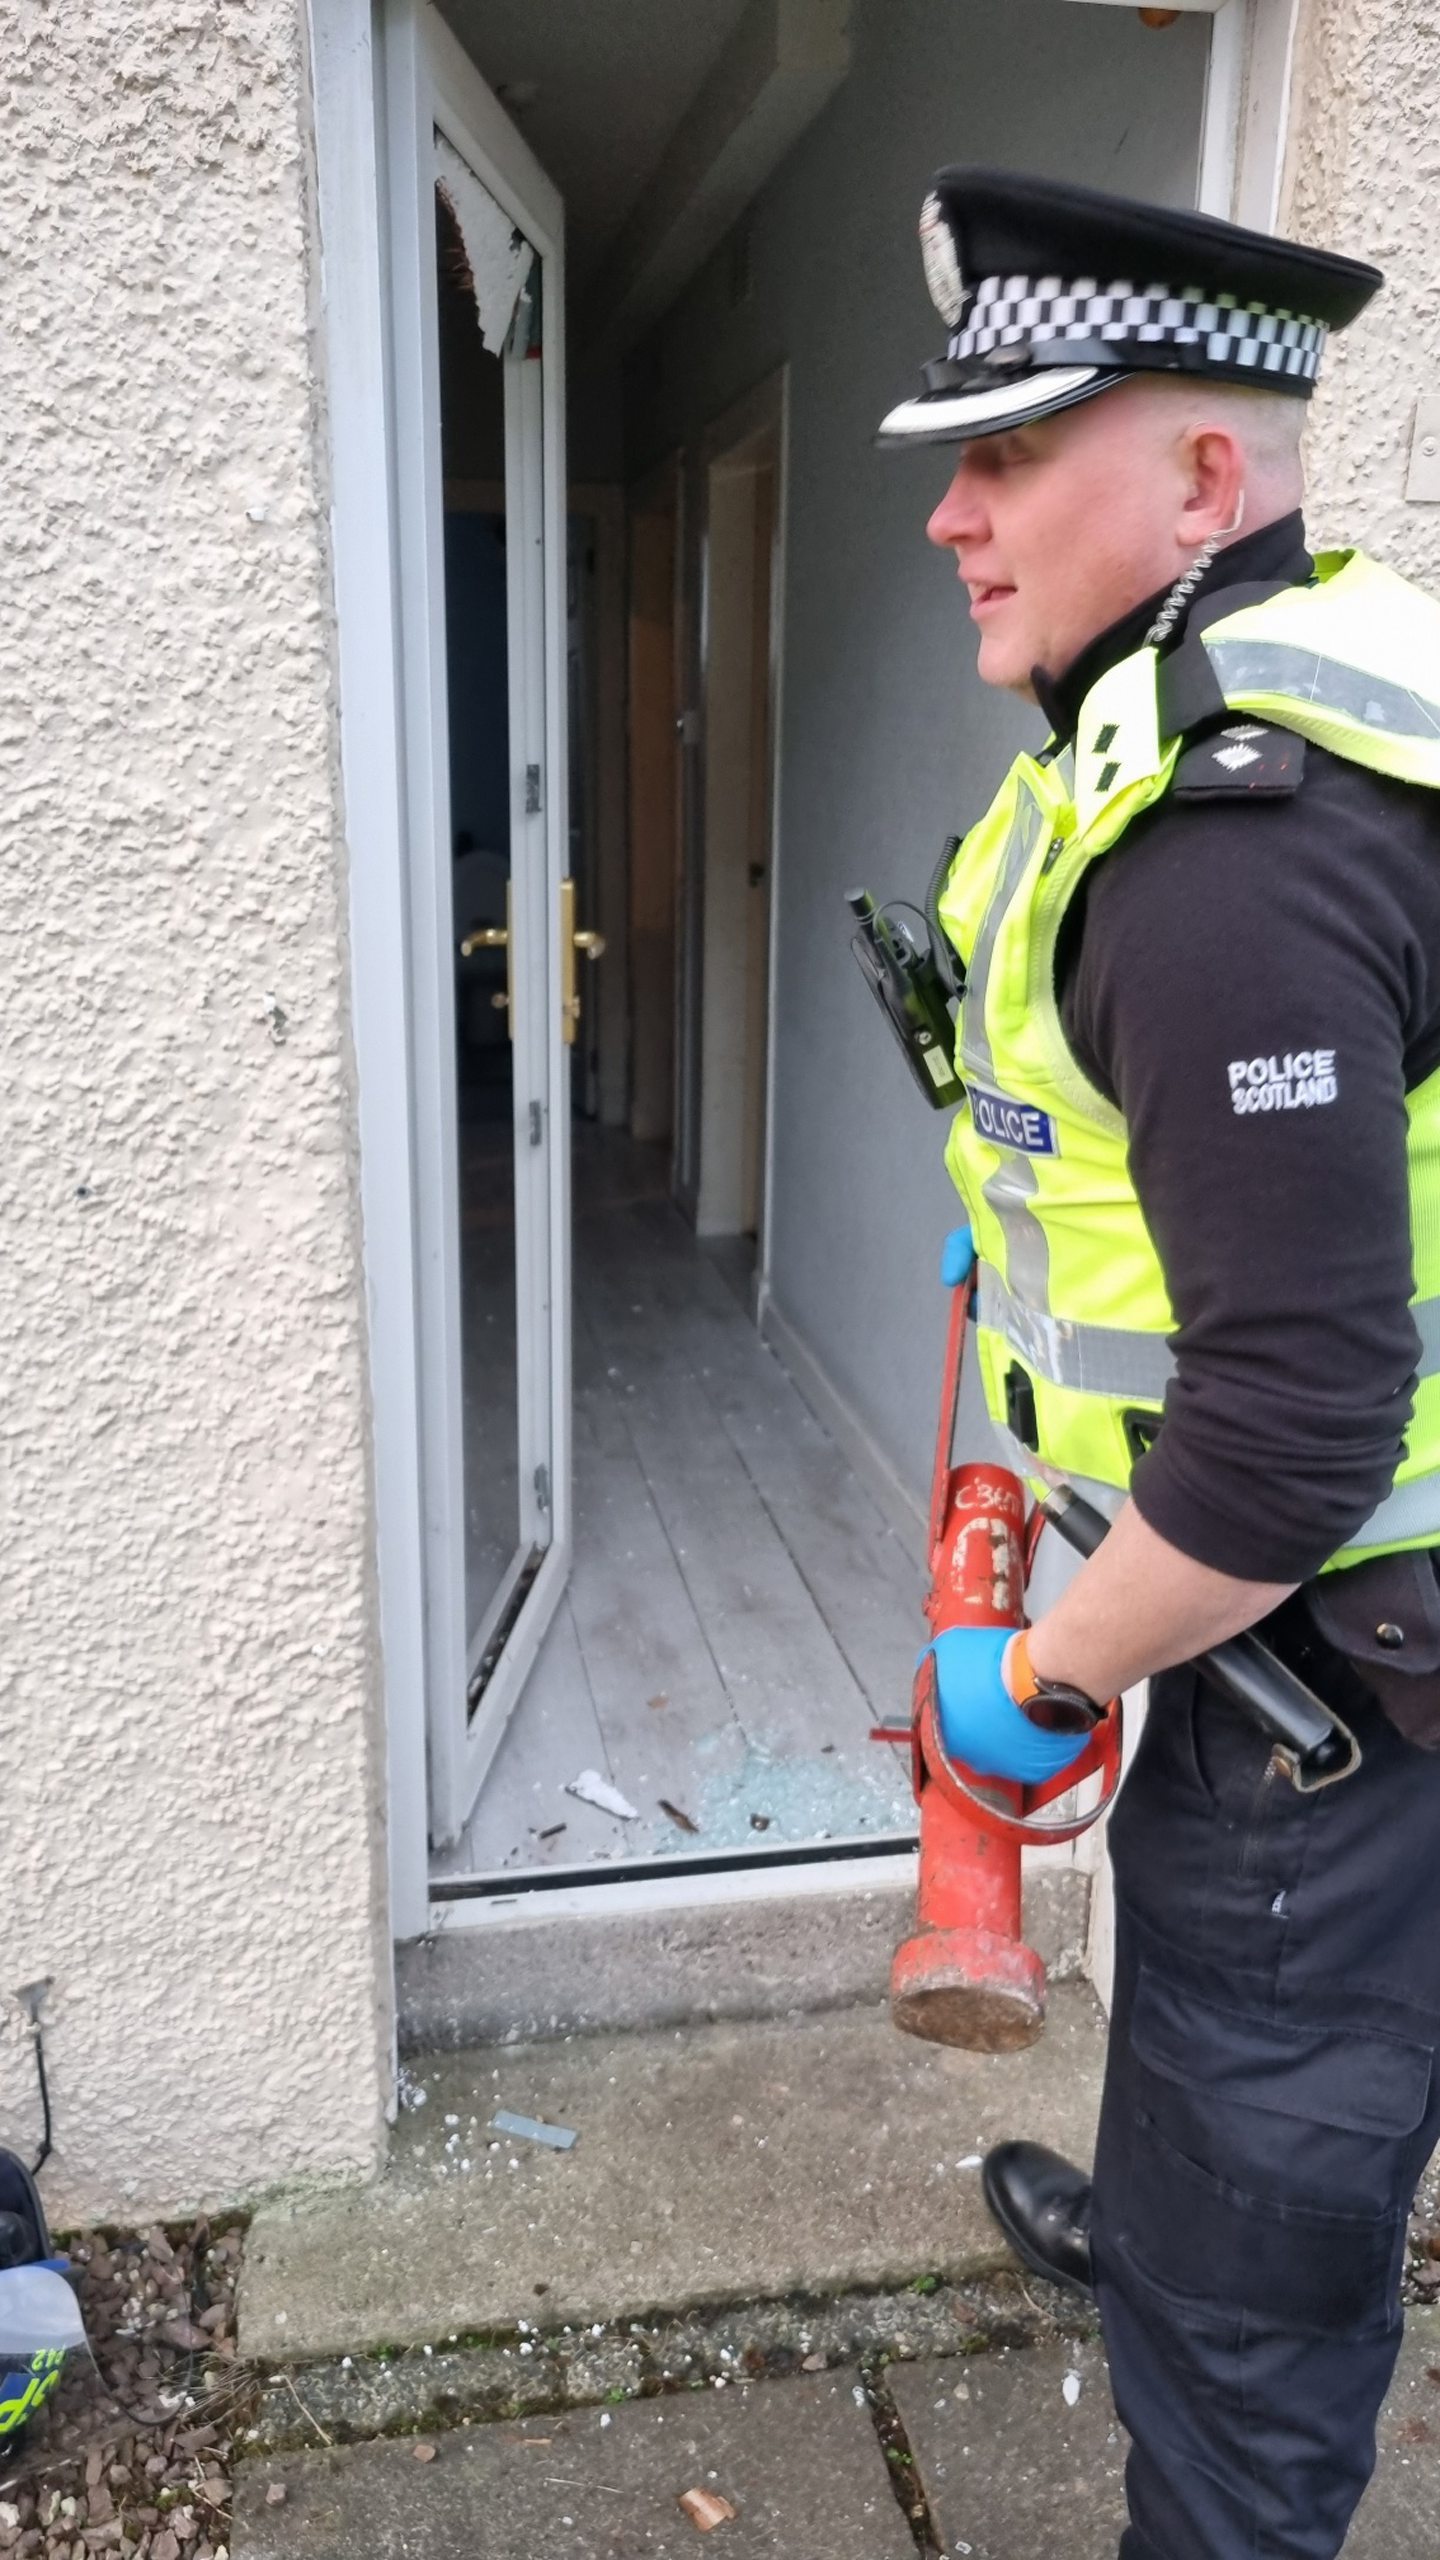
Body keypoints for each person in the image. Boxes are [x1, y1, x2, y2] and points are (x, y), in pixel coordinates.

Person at [879, 168, 1440, 2559]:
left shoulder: (1230, 848)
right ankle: (1179, 2223)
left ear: (1210, 481)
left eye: (1011, 453)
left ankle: (1208, 2327)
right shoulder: (1281, 684)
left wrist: (1037, 1669)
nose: (949, 513)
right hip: (1316, 1652)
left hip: (1326, 1686)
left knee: (1251, 2340)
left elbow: (1303, 1418)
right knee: (1219, 2111)